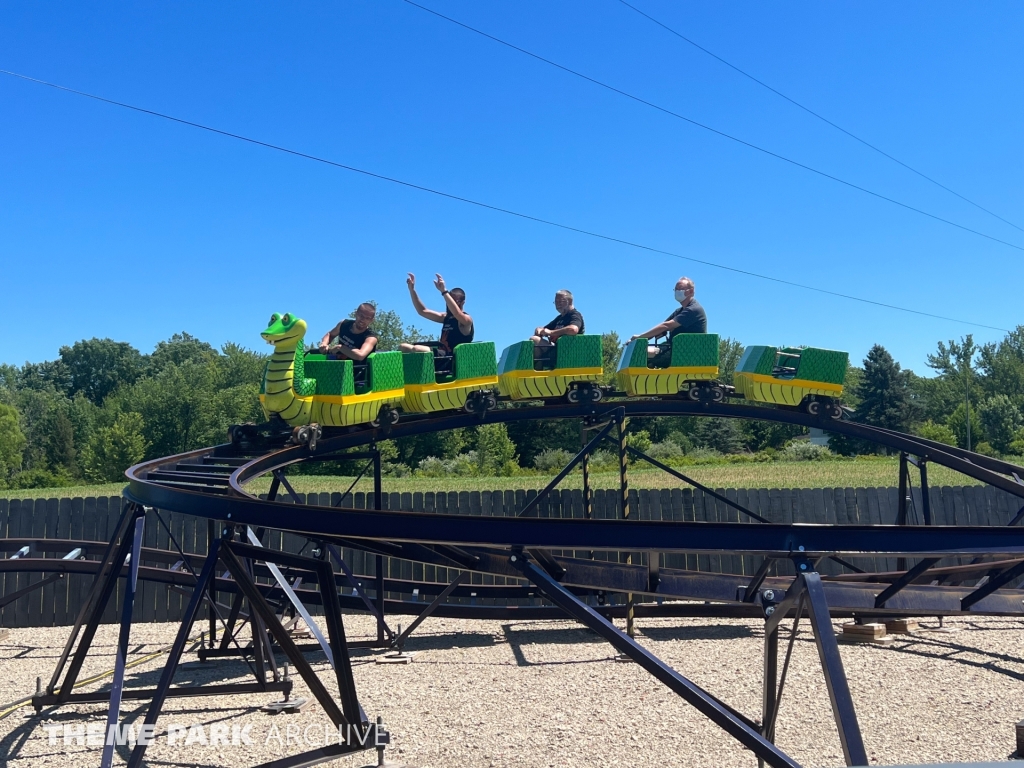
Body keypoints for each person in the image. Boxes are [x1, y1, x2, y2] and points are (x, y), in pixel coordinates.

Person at [629, 277, 707, 365]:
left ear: (691, 291)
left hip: (687, 353)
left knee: (643, 355)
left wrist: (640, 337)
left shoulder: (694, 310)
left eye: (680, 288)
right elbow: (660, 329)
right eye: (676, 289)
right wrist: (638, 340)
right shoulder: (679, 311)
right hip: (676, 350)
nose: (677, 291)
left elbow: (666, 326)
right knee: (640, 351)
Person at [399, 273, 474, 357]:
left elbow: (457, 313)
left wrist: (444, 291)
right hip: (440, 354)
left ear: (462, 302)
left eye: (454, 301)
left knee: (417, 349)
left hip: (451, 358)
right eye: (450, 300)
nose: (449, 303)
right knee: (403, 347)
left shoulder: (466, 320)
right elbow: (422, 311)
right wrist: (412, 290)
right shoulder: (446, 317)